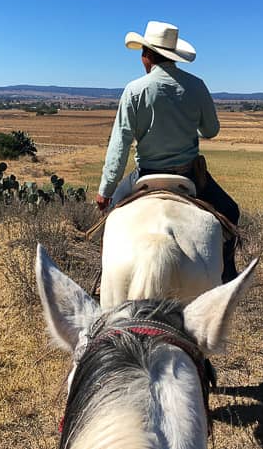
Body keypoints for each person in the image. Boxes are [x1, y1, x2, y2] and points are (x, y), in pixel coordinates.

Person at [95, 20, 240, 282]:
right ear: (173, 55)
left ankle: (106, 277)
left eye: (142, 53)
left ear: (147, 55)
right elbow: (211, 130)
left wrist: (105, 191)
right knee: (230, 211)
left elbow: (120, 146)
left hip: (146, 175)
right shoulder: (197, 86)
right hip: (190, 176)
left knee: (114, 219)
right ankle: (227, 276)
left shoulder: (134, 90)